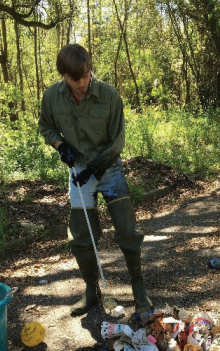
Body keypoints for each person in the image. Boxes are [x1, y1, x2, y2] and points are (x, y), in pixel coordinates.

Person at [38, 44, 153, 315]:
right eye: (75, 78)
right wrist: (60, 146)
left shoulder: (110, 96)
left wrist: (96, 167)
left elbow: (118, 141)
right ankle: (92, 291)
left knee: (127, 231)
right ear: (63, 76)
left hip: (109, 168)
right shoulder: (52, 97)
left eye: (86, 75)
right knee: (80, 235)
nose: (82, 82)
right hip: (78, 170)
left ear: (90, 69)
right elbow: (46, 126)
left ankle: (139, 290)